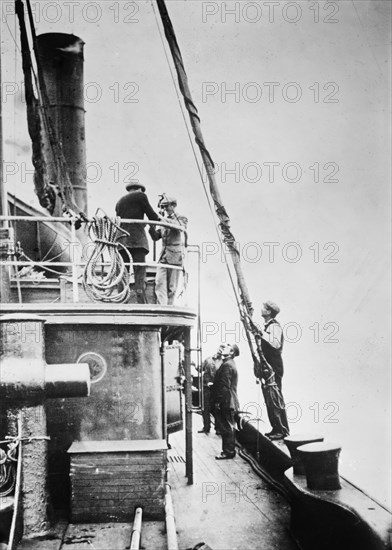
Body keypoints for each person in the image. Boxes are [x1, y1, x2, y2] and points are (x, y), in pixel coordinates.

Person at [115, 181, 160, 304]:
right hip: (137, 240)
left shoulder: (119, 202)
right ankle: (141, 302)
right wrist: (159, 220)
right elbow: (151, 214)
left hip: (121, 240)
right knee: (139, 271)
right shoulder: (141, 196)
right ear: (140, 189)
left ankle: (121, 300)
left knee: (122, 271)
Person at [257, 300, 289, 440]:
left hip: (274, 367)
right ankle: (275, 427)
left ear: (269, 312)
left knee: (275, 397)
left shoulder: (275, 326)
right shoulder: (266, 327)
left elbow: (275, 343)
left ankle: (282, 430)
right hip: (267, 367)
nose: (262, 309)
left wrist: (261, 333)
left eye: (264, 308)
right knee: (269, 398)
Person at [149, 195, 188, 305]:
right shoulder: (164, 220)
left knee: (172, 286)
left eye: (167, 206)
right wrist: (152, 227)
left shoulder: (181, 218)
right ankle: (162, 306)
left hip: (175, 256)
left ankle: (169, 307)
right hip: (163, 256)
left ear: (174, 206)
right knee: (159, 282)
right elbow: (156, 237)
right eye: (163, 206)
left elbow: (178, 226)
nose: (165, 209)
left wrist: (161, 219)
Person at [212, 343, 240, 460]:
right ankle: (229, 450)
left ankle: (228, 452)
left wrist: (218, 401)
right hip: (230, 400)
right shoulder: (229, 363)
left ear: (232, 352)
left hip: (226, 401)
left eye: (228, 346)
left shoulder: (227, 365)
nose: (224, 347)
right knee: (229, 425)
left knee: (226, 426)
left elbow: (224, 386)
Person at [197, 355, 218, 434]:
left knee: (211, 408)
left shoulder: (210, 360)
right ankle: (208, 427)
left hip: (214, 387)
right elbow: (200, 369)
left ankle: (212, 428)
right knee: (206, 407)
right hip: (208, 387)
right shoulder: (209, 360)